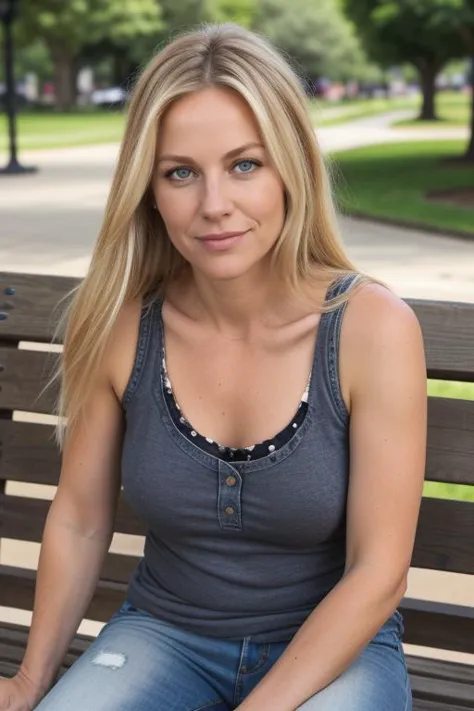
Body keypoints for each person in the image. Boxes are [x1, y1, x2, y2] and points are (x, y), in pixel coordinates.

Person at [0, 22, 427, 711]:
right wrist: (29, 680)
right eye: (180, 173)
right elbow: (80, 517)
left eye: (245, 164)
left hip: (332, 652)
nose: (214, 205)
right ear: (149, 188)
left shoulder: (370, 329)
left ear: (290, 165)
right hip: (166, 633)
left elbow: (378, 572)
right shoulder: (125, 326)